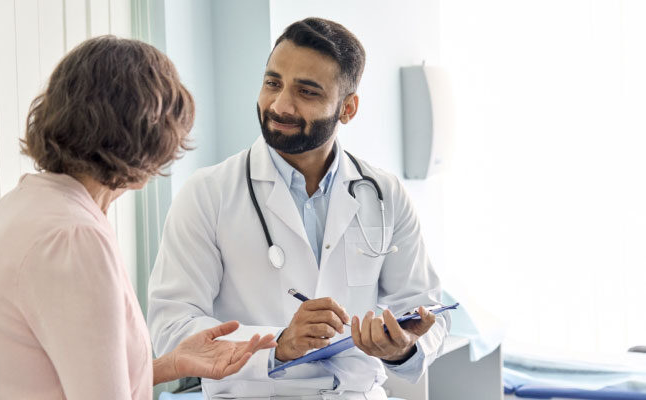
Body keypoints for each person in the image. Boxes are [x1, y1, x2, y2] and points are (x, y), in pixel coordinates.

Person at [147, 18, 450, 399]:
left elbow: (428, 310)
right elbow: (171, 327)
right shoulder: (208, 194)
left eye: (307, 92)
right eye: (273, 83)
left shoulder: (384, 193)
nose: (280, 105)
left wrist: (402, 347)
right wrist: (279, 343)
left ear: (348, 108)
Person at [0, 36, 276, 400]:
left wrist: (174, 363)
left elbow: (70, 373)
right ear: (148, 135)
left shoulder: (23, 204)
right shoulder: (74, 238)